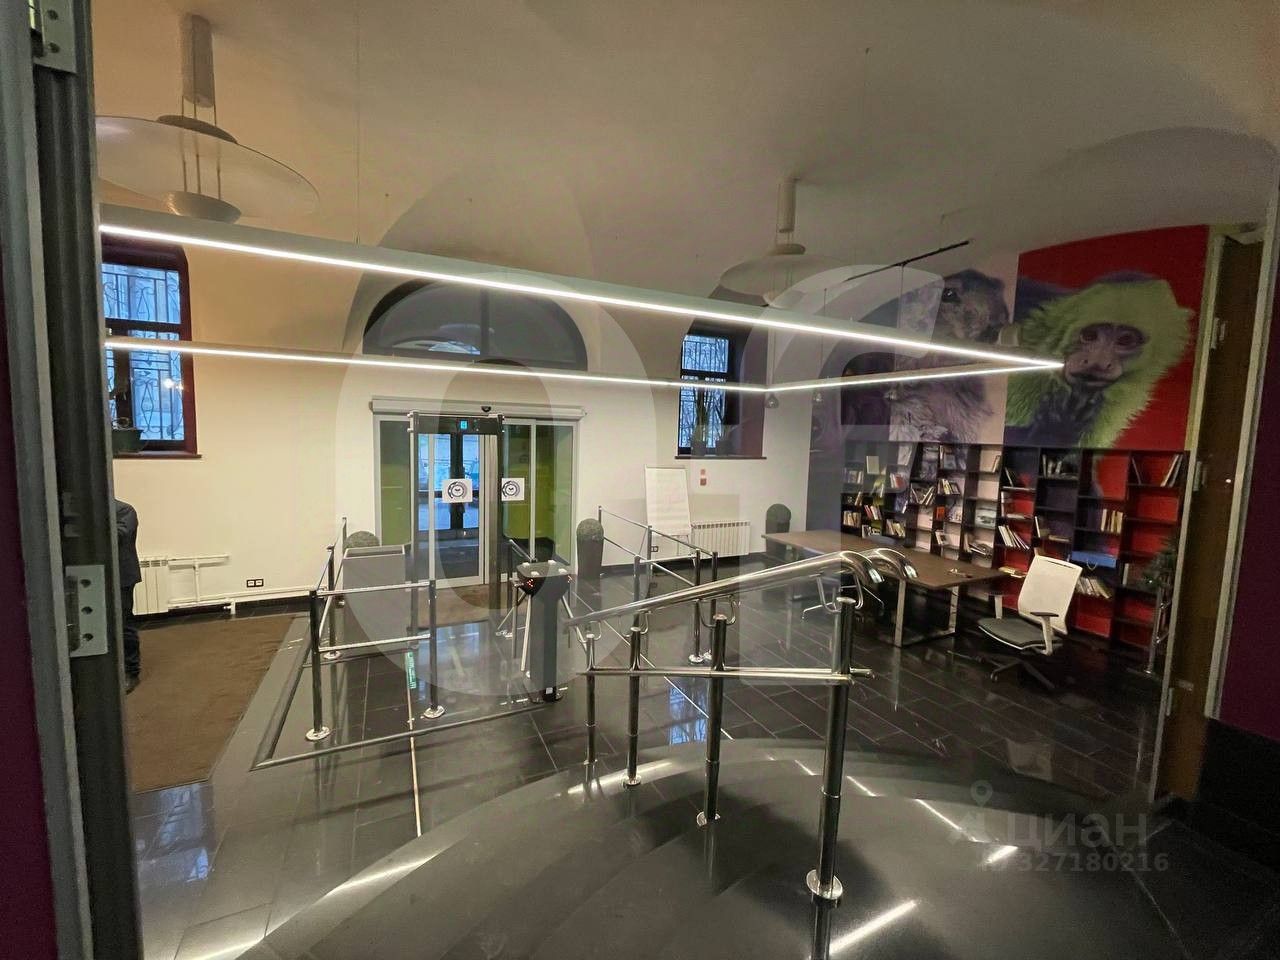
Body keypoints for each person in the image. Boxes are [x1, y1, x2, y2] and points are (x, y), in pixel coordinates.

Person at [115, 498, 142, 693]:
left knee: (124, 625)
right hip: (99, 576)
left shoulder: (125, 510)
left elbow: (119, 535)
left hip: (122, 577)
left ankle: (131, 672)